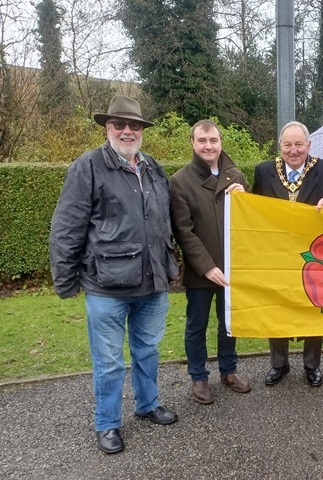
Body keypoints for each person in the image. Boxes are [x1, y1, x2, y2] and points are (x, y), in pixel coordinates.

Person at [49, 95, 179, 454]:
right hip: (105, 285)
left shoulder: (153, 166)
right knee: (108, 362)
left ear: (141, 130)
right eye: (119, 125)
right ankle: (107, 423)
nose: (127, 131)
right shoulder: (86, 167)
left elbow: (164, 221)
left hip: (152, 282)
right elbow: (66, 227)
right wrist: (65, 280)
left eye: (133, 125)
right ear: (107, 128)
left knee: (148, 350)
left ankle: (148, 403)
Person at [252, 121, 323, 387]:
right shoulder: (263, 171)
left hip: (315, 254)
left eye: (298, 144)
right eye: (287, 145)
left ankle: (311, 365)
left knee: (313, 306)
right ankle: (279, 364)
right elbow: (253, 207)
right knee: (277, 306)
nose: (293, 151)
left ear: (309, 145)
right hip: (276, 254)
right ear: (280, 146)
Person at [169, 120, 251, 405]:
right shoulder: (180, 181)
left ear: (221, 143)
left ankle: (228, 371)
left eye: (213, 140)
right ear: (193, 143)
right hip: (201, 270)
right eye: (202, 140)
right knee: (197, 324)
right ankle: (199, 376)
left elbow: (251, 221)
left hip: (232, 266)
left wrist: (246, 199)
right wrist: (206, 266)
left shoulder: (235, 175)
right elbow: (183, 231)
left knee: (228, 322)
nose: (208, 146)